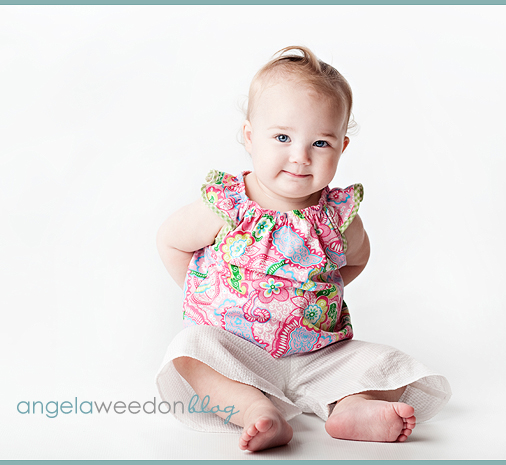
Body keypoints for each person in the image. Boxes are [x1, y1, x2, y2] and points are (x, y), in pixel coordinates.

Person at [155, 45, 451, 452]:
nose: (300, 157)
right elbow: (171, 241)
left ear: (342, 147)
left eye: (321, 143)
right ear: (250, 137)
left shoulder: (337, 218)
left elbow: (357, 259)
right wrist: (205, 297)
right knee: (189, 350)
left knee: (387, 362)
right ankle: (255, 409)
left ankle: (352, 406)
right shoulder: (228, 206)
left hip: (319, 354)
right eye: (282, 137)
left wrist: (318, 291)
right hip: (236, 351)